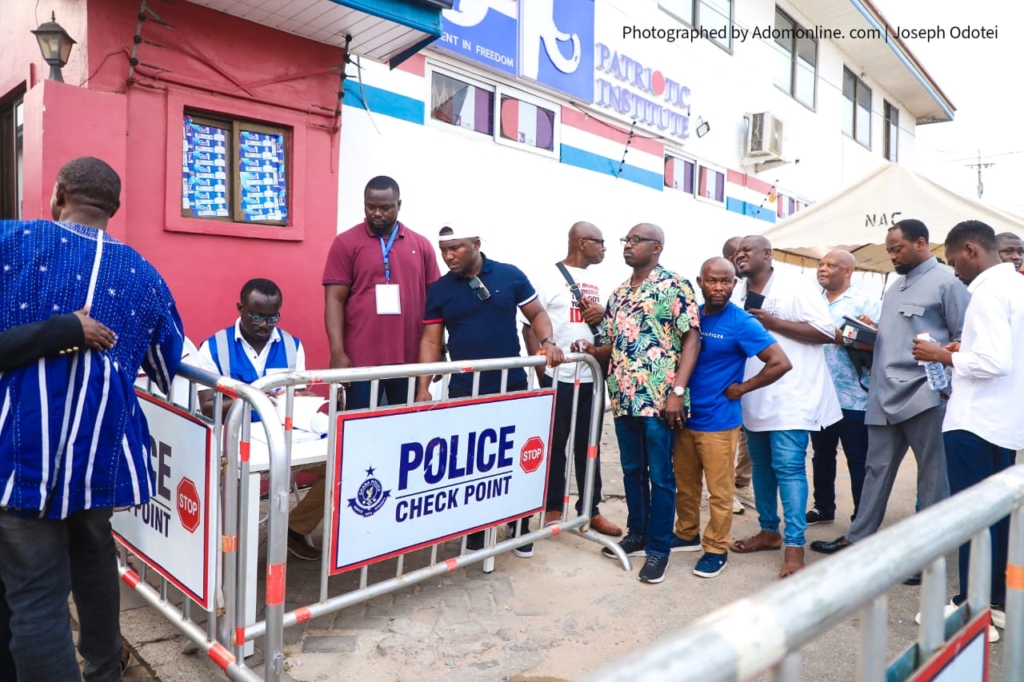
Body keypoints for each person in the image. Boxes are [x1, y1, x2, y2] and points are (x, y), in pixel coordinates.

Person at [0, 157, 183, 681]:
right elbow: (166, 362)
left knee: (36, 595)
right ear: (114, 209)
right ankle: (104, 669)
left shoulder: (11, 241)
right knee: (96, 556)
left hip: (21, 453)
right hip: (101, 457)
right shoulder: (144, 275)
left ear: (58, 194)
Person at [812, 219, 969, 558]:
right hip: (883, 392)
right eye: (889, 251)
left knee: (932, 478)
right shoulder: (896, 286)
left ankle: (926, 554)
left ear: (921, 243)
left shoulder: (948, 283)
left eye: (897, 249)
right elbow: (895, 334)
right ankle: (858, 538)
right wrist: (873, 330)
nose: (892, 256)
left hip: (924, 394)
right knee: (876, 470)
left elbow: (963, 340)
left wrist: (944, 387)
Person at [416, 226, 563, 557]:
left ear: (476, 244)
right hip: (464, 391)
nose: (448, 256)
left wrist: (548, 341)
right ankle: (476, 528)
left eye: (455, 248)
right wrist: (423, 386)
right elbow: (431, 340)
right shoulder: (440, 289)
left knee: (517, 458)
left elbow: (536, 313)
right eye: (443, 250)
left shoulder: (510, 275)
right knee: (470, 463)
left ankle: (519, 523)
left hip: (511, 386)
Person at [911, 220, 1024, 643]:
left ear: (972, 250)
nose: (954, 269)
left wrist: (941, 355)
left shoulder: (987, 292)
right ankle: (996, 604)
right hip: (1006, 421)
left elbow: (995, 362)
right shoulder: (1017, 286)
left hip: (975, 421)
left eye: (954, 260)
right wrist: (965, 351)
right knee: (997, 517)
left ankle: (971, 609)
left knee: (973, 518)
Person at [581, 223, 700, 585]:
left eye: (636, 240)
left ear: (656, 247)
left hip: (659, 398)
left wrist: (677, 391)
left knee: (661, 476)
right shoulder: (618, 292)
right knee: (632, 469)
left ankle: (659, 549)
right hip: (623, 397)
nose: (628, 246)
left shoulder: (675, 285)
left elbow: (692, 339)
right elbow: (612, 345)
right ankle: (638, 534)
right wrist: (589, 348)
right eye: (626, 240)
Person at [729, 236, 842, 578]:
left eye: (747, 250)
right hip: (754, 394)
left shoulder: (797, 285)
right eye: (737, 251)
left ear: (767, 254)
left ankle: (794, 546)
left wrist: (773, 322)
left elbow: (827, 331)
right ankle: (769, 531)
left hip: (793, 395)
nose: (739, 255)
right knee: (762, 467)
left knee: (789, 468)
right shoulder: (737, 291)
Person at [674, 257, 791, 579]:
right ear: (700, 282)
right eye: (712, 280)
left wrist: (742, 388)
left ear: (734, 284)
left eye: (726, 281)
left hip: (719, 422)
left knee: (720, 492)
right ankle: (686, 533)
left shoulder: (741, 322)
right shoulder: (692, 316)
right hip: (684, 417)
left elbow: (780, 362)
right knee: (685, 486)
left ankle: (716, 548)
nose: (719, 287)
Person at [194, 278, 320, 561]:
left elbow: (296, 396)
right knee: (244, 478)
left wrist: (304, 400)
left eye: (273, 317)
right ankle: (234, 557)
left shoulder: (292, 346)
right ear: (240, 308)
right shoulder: (214, 348)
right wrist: (255, 396)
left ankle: (295, 529)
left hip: (284, 438)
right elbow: (208, 406)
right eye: (257, 316)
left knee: (336, 464)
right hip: (233, 440)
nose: (265, 324)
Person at [520, 222, 622, 537]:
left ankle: (590, 509)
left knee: (589, 445)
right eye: (599, 242)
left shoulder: (601, 281)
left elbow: (610, 327)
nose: (604, 248)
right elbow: (529, 325)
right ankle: (553, 507)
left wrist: (603, 314)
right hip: (558, 377)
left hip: (592, 377)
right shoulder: (548, 277)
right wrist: (541, 370)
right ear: (581, 242)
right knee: (555, 444)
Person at [323, 175, 440, 408]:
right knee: (359, 425)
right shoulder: (346, 243)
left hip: (410, 360)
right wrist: (337, 352)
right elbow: (334, 301)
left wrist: (439, 350)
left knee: (405, 426)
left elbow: (435, 304)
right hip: (360, 362)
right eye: (370, 207)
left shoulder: (421, 245)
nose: (377, 213)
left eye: (385, 208)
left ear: (399, 205)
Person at [807, 250, 880, 526]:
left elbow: (881, 341)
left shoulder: (868, 302)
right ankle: (823, 507)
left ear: (847, 271)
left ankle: (862, 516)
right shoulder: (812, 301)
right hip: (819, 393)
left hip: (855, 396)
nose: (822, 269)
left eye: (830, 265)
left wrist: (846, 337)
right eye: (820, 264)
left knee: (858, 458)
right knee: (821, 455)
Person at [723, 236, 754, 513]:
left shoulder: (756, 285)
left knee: (749, 435)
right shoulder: (720, 287)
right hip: (729, 378)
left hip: (754, 375)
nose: (743, 258)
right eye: (737, 254)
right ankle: (726, 489)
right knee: (729, 436)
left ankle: (742, 484)